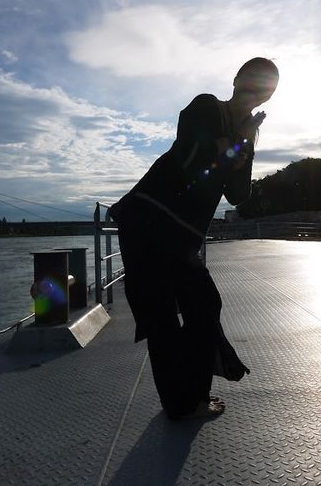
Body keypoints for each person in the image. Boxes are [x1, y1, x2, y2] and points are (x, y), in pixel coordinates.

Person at [109, 57, 279, 420]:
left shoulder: (244, 135)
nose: (257, 88)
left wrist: (240, 144)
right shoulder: (205, 107)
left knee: (202, 307)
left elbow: (237, 193)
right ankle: (186, 403)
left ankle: (187, 400)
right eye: (254, 78)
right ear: (236, 79)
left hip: (180, 235)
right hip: (149, 220)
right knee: (164, 316)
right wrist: (232, 146)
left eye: (267, 86)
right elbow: (192, 162)